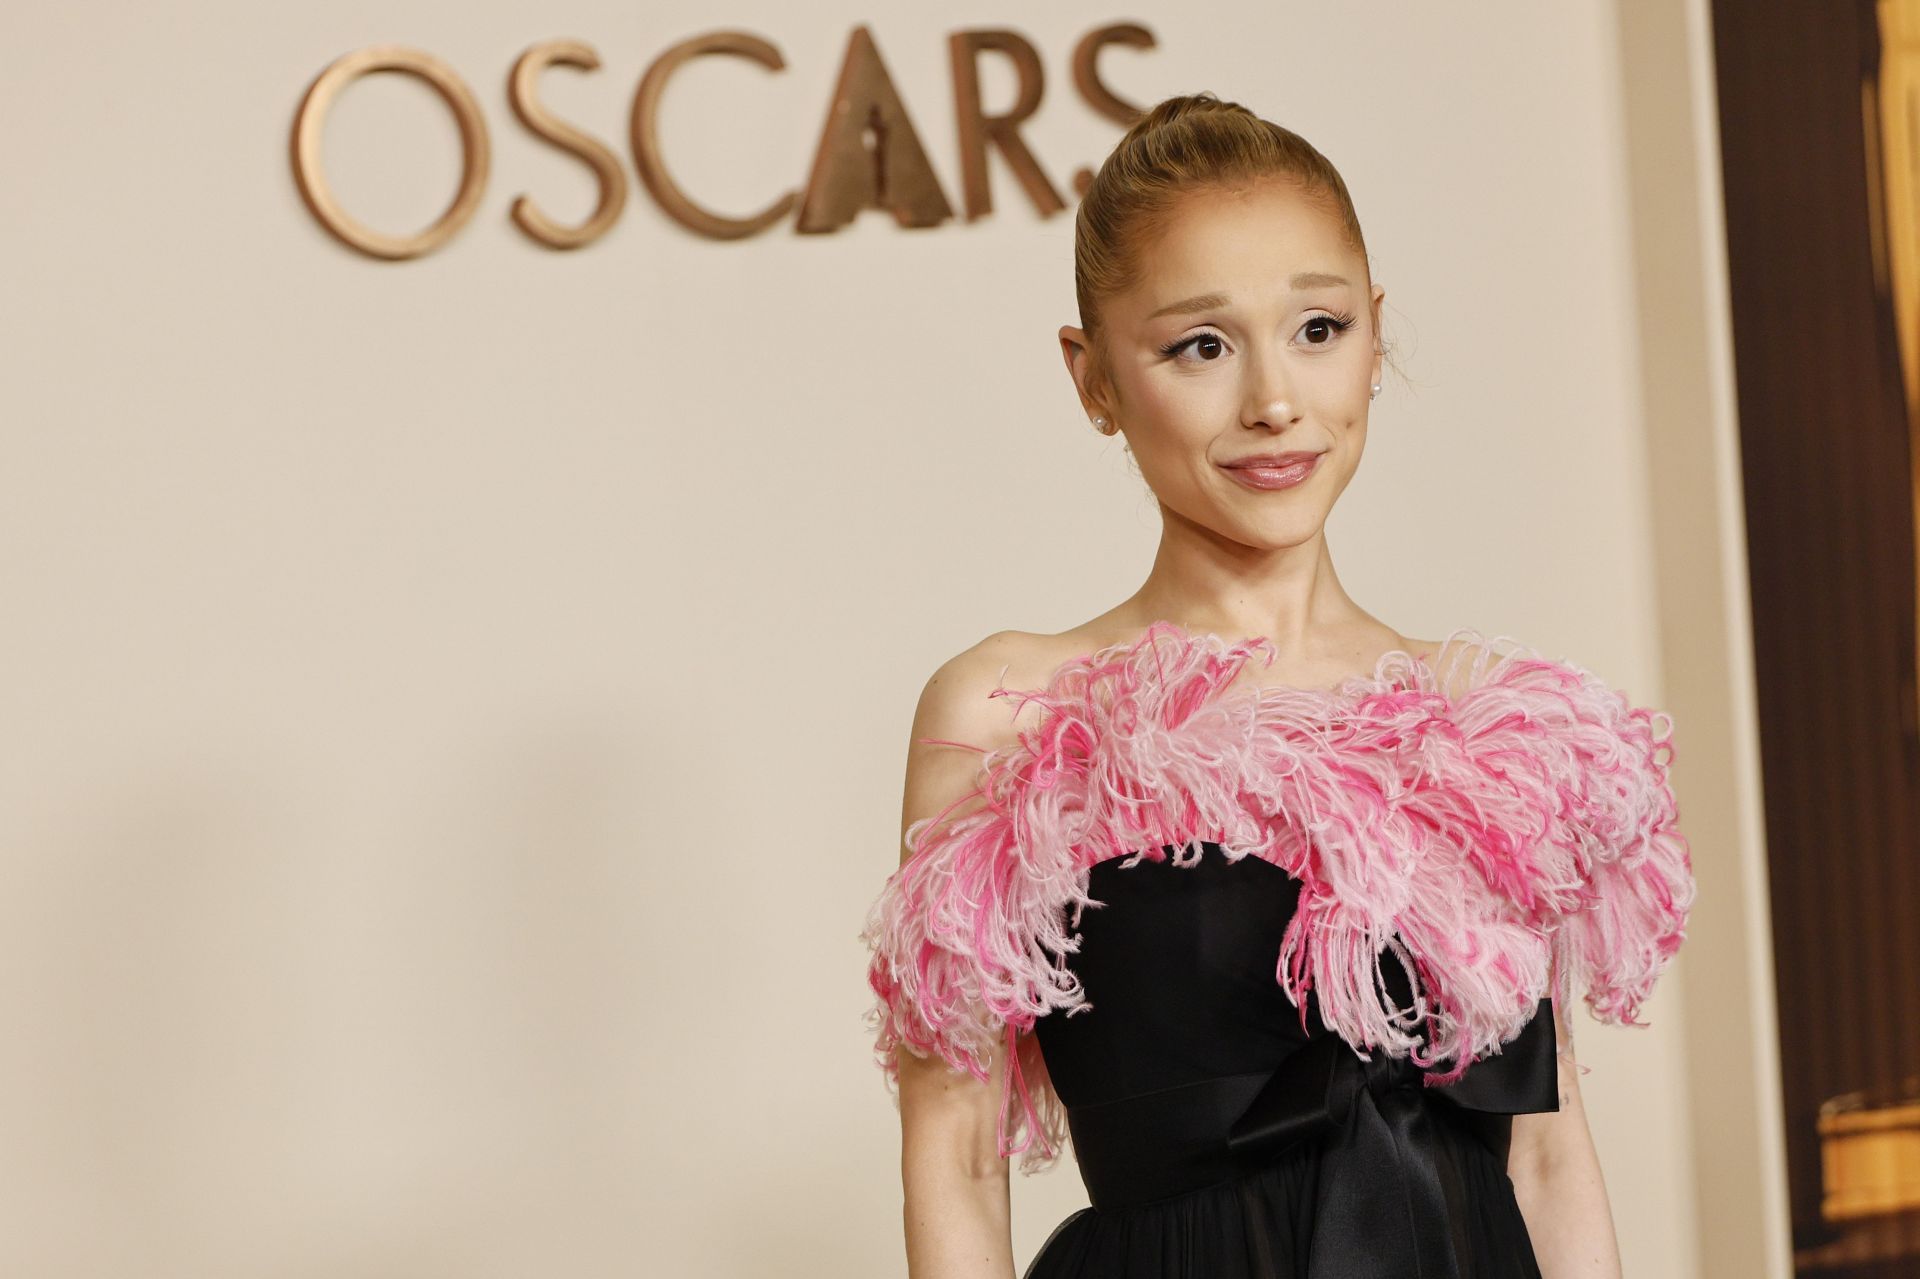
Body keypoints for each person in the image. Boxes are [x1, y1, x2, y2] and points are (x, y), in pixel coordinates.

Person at [858, 92, 1695, 1279]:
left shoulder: (1485, 731)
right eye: (1201, 344)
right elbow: (953, 1157)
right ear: (1092, 378)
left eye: (1319, 326)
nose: (1275, 400)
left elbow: (1550, 1164)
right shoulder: (1017, 716)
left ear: (1375, 332)